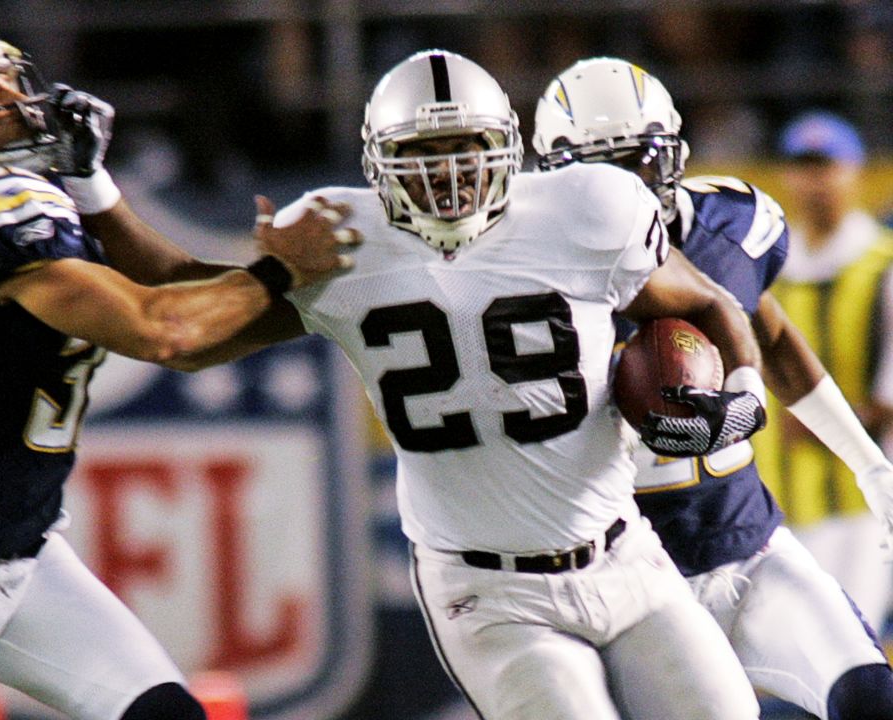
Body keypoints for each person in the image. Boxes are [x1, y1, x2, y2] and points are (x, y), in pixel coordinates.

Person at [91, 48, 771, 719]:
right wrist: (93, 187)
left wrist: (742, 400)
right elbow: (189, 309)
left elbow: (708, 302)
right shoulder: (338, 238)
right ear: (378, 163)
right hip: (490, 595)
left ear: (507, 145)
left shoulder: (587, 210)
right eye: (424, 153)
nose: (449, 175)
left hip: (627, 555)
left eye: (467, 147)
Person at [0, 14, 357, 720]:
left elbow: (178, 293)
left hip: (28, 561)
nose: (16, 97)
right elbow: (166, 330)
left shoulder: (32, 200)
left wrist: (94, 188)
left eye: (8, 78)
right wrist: (286, 274)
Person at [532, 57, 893, 720]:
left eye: (635, 161)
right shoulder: (525, 281)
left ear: (672, 157)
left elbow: (775, 339)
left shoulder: (728, 226)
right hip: (631, 588)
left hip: (751, 548)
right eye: (595, 170)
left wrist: (869, 465)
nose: (620, 191)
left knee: (871, 699)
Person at [758, 110, 893, 632]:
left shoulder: (881, 264)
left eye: (826, 166)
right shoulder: (767, 265)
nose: (814, 182)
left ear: (854, 171)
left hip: (860, 503)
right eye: (802, 166)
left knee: (849, 645)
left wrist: (836, 421)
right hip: (774, 502)